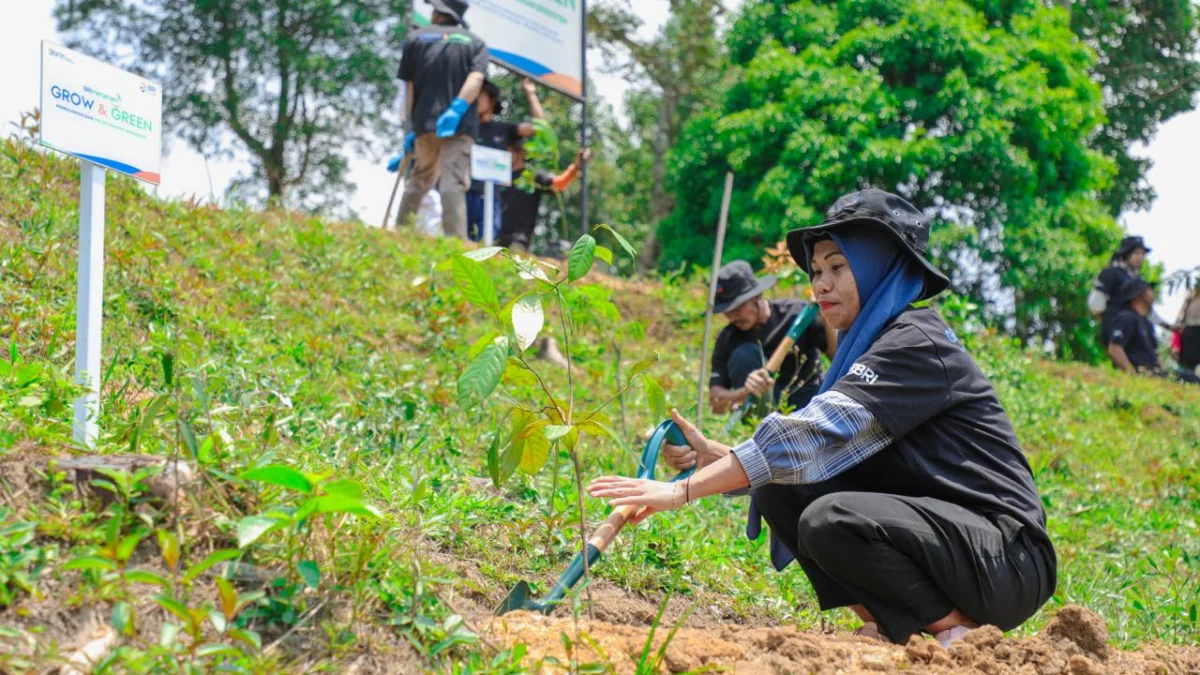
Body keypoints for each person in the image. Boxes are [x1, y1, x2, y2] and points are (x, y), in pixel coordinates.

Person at [589, 189, 1056, 648]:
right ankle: (896, 624)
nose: (820, 285)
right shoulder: (872, 345)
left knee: (833, 516)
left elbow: (813, 436)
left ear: (881, 267)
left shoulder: (915, 342)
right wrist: (717, 459)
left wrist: (681, 490)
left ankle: (957, 631)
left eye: (838, 266)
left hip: (1006, 558)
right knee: (780, 489)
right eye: (816, 271)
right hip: (951, 544)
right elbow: (815, 455)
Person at [393, 0, 488, 240]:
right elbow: (476, 79)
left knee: (420, 178)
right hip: (460, 124)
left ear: (437, 13)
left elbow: (409, 88)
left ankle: (400, 234)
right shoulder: (475, 43)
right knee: (453, 181)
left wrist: (411, 127)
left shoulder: (416, 39)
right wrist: (458, 108)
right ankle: (455, 241)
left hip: (425, 123)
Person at [708, 261, 836, 417]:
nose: (732, 316)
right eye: (727, 311)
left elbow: (837, 358)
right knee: (744, 355)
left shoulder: (797, 314)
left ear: (756, 296)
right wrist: (744, 392)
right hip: (763, 419)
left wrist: (826, 320)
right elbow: (715, 403)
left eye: (737, 308)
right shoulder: (728, 339)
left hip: (809, 404)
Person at [467, 78, 546, 242]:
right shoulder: (464, 128)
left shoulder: (503, 129)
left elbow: (540, 127)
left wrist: (530, 94)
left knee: (486, 241)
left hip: (490, 197)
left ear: (491, 100)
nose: (475, 98)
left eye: (480, 95)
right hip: (465, 193)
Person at [498, 143, 589, 251]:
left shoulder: (533, 176)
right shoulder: (499, 176)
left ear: (521, 153)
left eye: (510, 151)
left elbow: (559, 184)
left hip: (518, 237)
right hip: (495, 234)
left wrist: (576, 167)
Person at [1089, 235, 1175, 336]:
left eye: (1143, 254)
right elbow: (1095, 303)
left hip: (1136, 333)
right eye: (1137, 253)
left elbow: (1146, 310)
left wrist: (1167, 326)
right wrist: (1111, 321)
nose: (1141, 257)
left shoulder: (1137, 280)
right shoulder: (1111, 273)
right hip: (1118, 333)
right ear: (1126, 254)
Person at [1105, 278, 1164, 375]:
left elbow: (1155, 353)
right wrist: (1131, 372)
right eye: (1149, 289)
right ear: (1138, 294)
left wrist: (1165, 375)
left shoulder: (1147, 323)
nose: (1153, 293)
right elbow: (1114, 348)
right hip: (1141, 375)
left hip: (1155, 375)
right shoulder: (1127, 318)